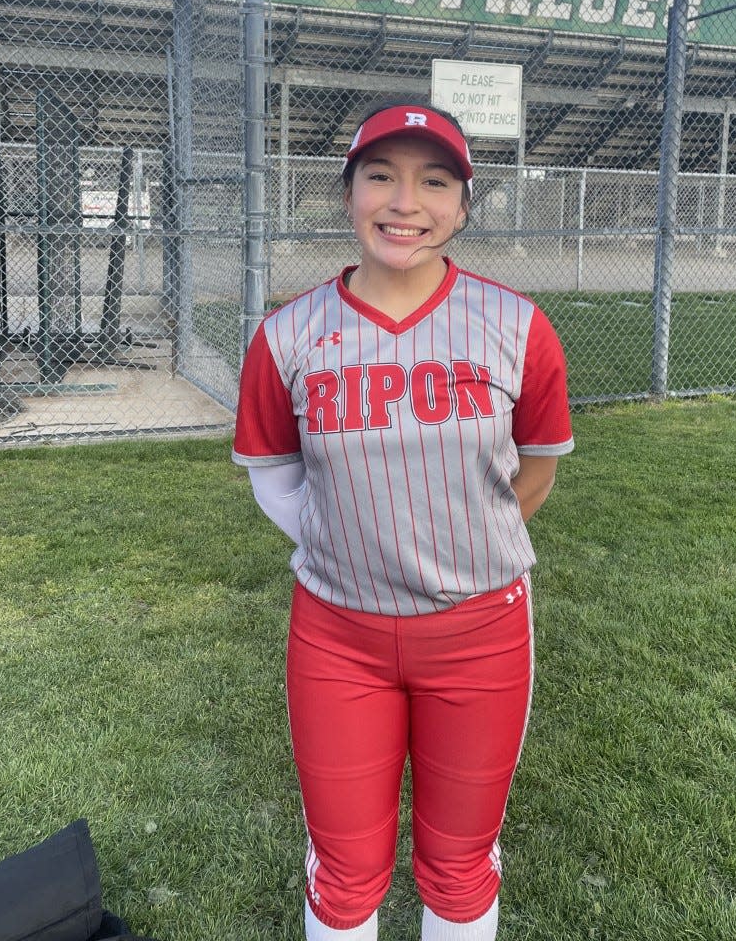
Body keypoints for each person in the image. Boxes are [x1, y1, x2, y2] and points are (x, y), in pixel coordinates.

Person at [233, 101, 574, 940]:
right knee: (345, 871)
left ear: (463, 205)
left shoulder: (517, 326)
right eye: (380, 176)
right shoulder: (288, 334)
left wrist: (454, 541)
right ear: (348, 193)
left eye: (434, 181)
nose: (404, 203)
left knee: (459, 867)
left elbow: (535, 470)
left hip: (481, 631)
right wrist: (350, 537)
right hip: (336, 632)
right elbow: (275, 477)